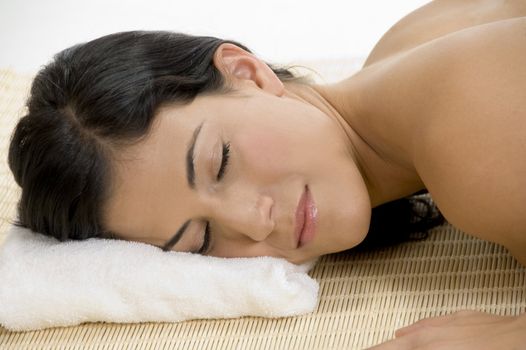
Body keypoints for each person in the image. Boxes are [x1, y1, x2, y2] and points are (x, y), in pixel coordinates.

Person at [7, 1, 526, 348]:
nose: (254, 224)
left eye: (220, 163)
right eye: (202, 239)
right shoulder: (405, 47)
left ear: (246, 72)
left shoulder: (465, 140)